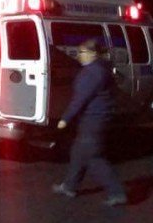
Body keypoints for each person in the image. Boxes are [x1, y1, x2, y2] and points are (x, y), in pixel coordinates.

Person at [52, 38, 127, 206]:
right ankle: (70, 186)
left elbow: (80, 99)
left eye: (81, 52)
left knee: (93, 157)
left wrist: (65, 118)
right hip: (95, 118)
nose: (78, 56)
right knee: (78, 152)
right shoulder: (99, 69)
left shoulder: (93, 73)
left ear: (92, 54)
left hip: (93, 119)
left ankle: (117, 192)